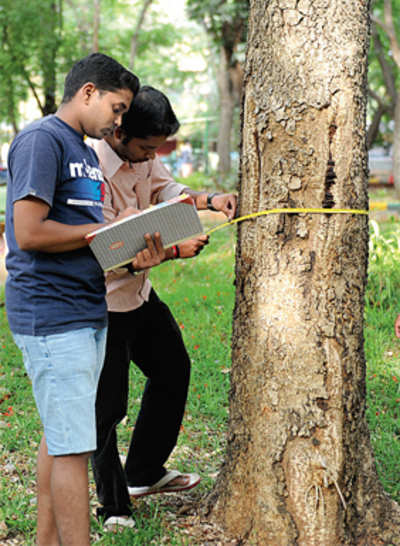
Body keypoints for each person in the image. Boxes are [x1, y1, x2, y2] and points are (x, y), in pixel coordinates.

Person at [5, 53, 141, 546]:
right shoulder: (43, 140)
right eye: (117, 107)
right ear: (88, 92)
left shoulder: (81, 149)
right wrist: (101, 231)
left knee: (59, 439)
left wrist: (132, 253)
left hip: (85, 309)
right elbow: (29, 231)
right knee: (72, 450)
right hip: (52, 315)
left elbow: (82, 238)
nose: (119, 120)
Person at [89, 86, 237, 528]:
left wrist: (209, 201)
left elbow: (166, 187)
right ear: (119, 133)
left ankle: (144, 471)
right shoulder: (93, 169)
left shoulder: (145, 157)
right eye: (146, 149)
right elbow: (105, 253)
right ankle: (114, 505)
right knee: (107, 408)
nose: (151, 157)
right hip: (103, 304)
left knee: (173, 367)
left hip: (139, 296)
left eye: (157, 150)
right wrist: (171, 253)